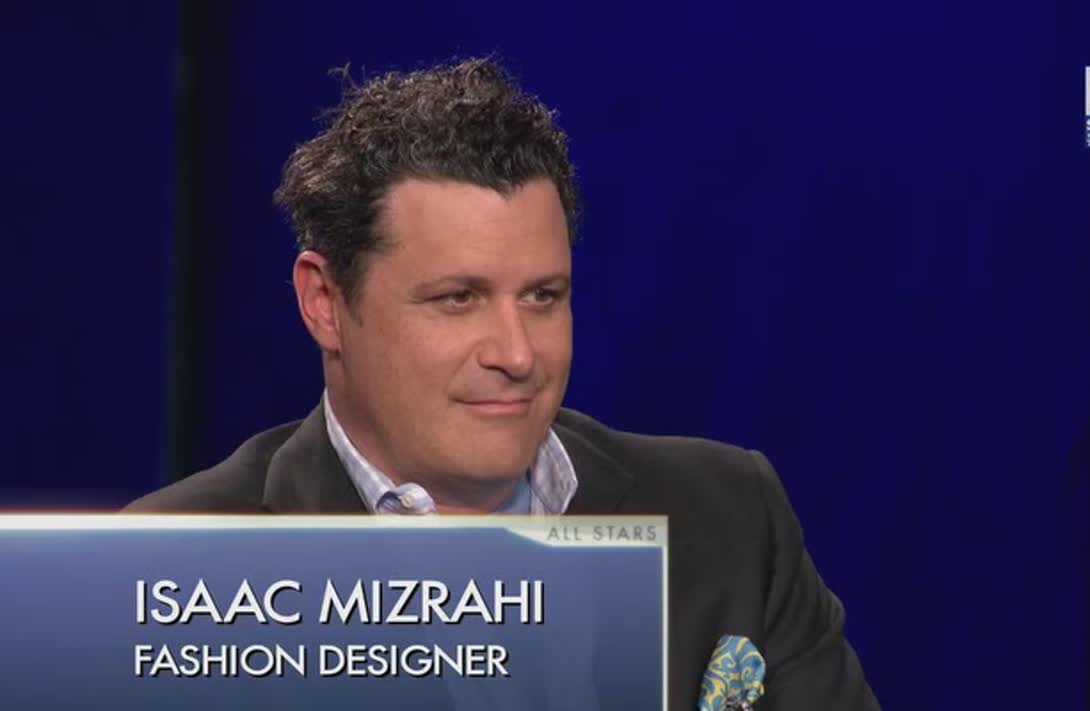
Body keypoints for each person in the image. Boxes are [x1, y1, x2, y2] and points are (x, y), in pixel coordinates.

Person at [127, 58, 879, 709]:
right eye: (458, 298)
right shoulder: (169, 573)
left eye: (543, 296)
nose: (518, 354)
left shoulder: (731, 517)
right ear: (324, 303)